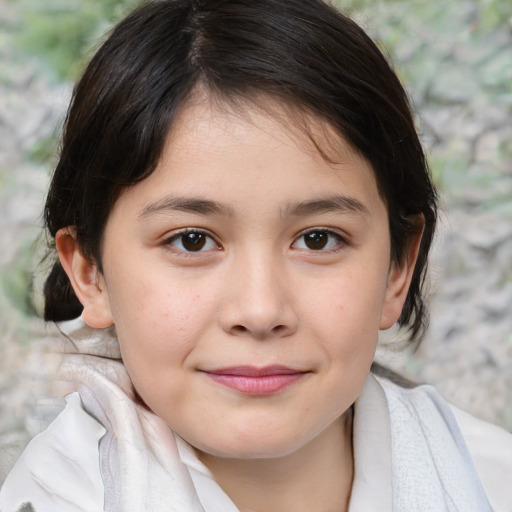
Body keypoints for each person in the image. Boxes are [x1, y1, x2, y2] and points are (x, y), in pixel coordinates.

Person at [1, 0, 511, 510]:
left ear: (397, 269)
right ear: (90, 274)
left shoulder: (491, 479)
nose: (260, 311)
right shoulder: (51, 499)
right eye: (191, 240)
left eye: (318, 239)